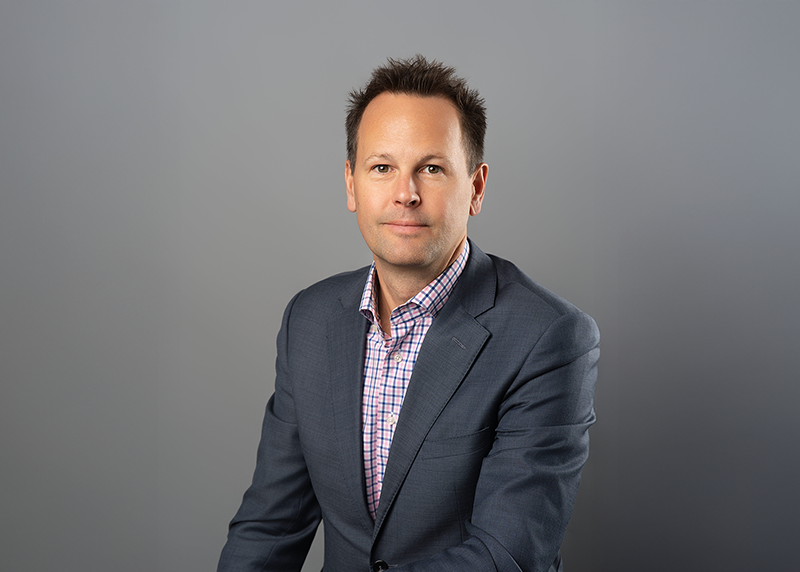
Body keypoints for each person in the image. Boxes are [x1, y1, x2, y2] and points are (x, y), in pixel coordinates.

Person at [217, 55, 599, 572]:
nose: (405, 194)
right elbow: (269, 526)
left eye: (432, 169)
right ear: (352, 184)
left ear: (477, 187)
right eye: (382, 168)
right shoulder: (309, 321)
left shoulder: (549, 337)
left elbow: (504, 555)